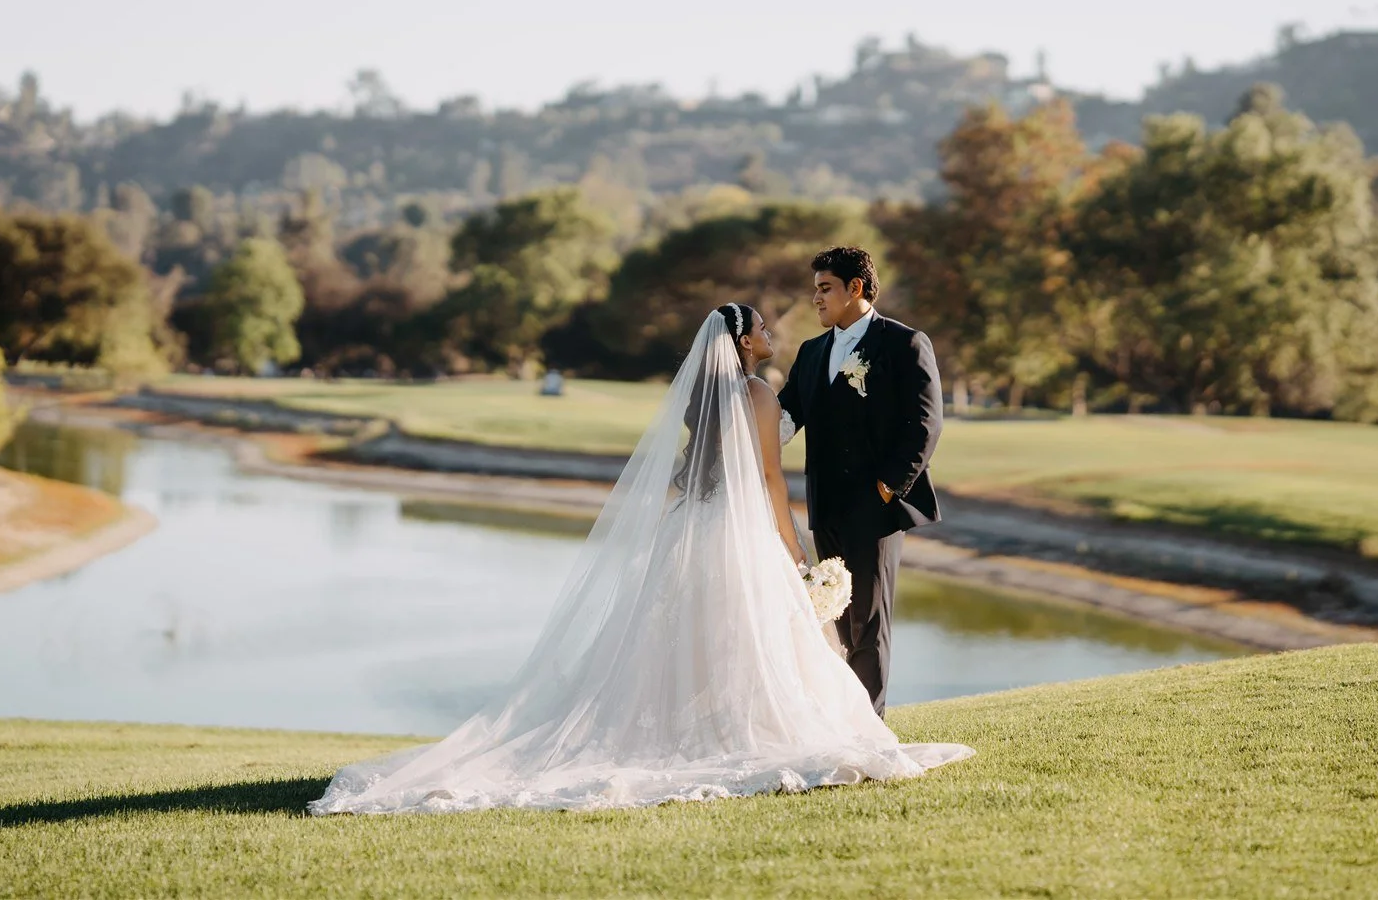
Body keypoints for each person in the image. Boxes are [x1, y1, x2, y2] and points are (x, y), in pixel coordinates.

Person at [309, 305, 970, 815]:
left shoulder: (702, 399)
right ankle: (737, 733)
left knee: (686, 640)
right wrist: (792, 548)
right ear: (743, 343)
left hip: (695, 527)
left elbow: (689, 475)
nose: (773, 333)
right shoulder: (760, 394)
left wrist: (671, 532)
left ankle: (694, 728)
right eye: (763, 328)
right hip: (741, 530)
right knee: (758, 639)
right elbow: (769, 480)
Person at [778, 246, 943, 714]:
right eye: (815, 290)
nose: (816, 299)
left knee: (869, 623)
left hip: (875, 508)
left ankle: (869, 724)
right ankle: (838, 717)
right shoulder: (811, 353)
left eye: (825, 288)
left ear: (856, 288)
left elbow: (925, 424)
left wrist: (889, 487)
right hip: (824, 505)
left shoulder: (904, 343)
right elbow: (786, 415)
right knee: (835, 618)